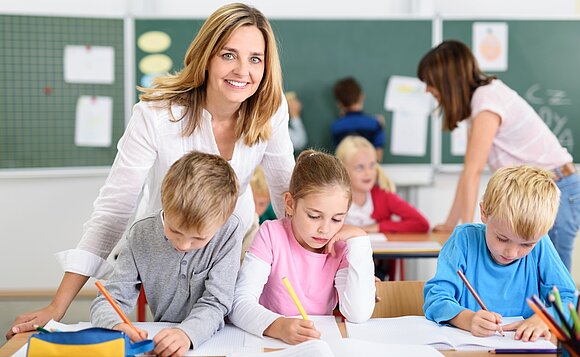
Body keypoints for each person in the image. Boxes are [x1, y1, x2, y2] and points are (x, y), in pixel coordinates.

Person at [7, 3, 295, 339]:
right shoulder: (157, 115)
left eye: (255, 58)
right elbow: (114, 210)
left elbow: (286, 195)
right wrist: (58, 305)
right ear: (206, 56)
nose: (242, 70)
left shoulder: (270, 110)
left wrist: (327, 246)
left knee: (235, 328)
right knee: (171, 331)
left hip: (234, 240)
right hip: (166, 240)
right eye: (228, 55)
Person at [418, 40, 580, 271]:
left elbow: (473, 172)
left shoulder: (487, 100)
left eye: (429, 82)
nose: (427, 90)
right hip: (542, 192)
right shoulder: (480, 103)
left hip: (556, 191)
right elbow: (468, 172)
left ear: (446, 79)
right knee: (536, 281)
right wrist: (450, 224)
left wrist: (466, 232)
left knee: (551, 282)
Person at [90, 151, 242, 355]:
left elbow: (217, 301)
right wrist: (115, 326)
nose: (184, 245)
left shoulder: (229, 231)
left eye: (199, 238)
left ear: (222, 221)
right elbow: (109, 300)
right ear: (164, 204)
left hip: (222, 343)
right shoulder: (141, 234)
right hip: (165, 343)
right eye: (174, 231)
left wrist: (187, 333)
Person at [229, 150, 375, 345]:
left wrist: (360, 239)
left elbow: (358, 314)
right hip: (269, 344)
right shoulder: (271, 234)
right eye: (314, 216)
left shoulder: (341, 246)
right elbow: (239, 304)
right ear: (290, 204)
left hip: (317, 345)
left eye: (337, 219)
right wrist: (278, 325)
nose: (325, 229)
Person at [424, 165, 576, 342]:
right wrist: (467, 319)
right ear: (484, 213)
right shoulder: (463, 239)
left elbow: (570, 299)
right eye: (502, 239)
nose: (511, 252)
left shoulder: (541, 244)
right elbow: (435, 297)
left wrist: (545, 318)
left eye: (526, 244)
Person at [336, 135, 429, 234]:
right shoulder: (333, 199)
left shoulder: (384, 196)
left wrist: (378, 227)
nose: (368, 173)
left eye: (372, 165)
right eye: (360, 167)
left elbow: (422, 224)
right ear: (343, 170)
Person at [331, 77, 385, 161]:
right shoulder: (374, 124)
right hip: (369, 171)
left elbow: (339, 156)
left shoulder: (336, 127)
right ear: (362, 96)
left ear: (339, 103)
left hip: (346, 171)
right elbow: (378, 157)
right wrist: (381, 127)